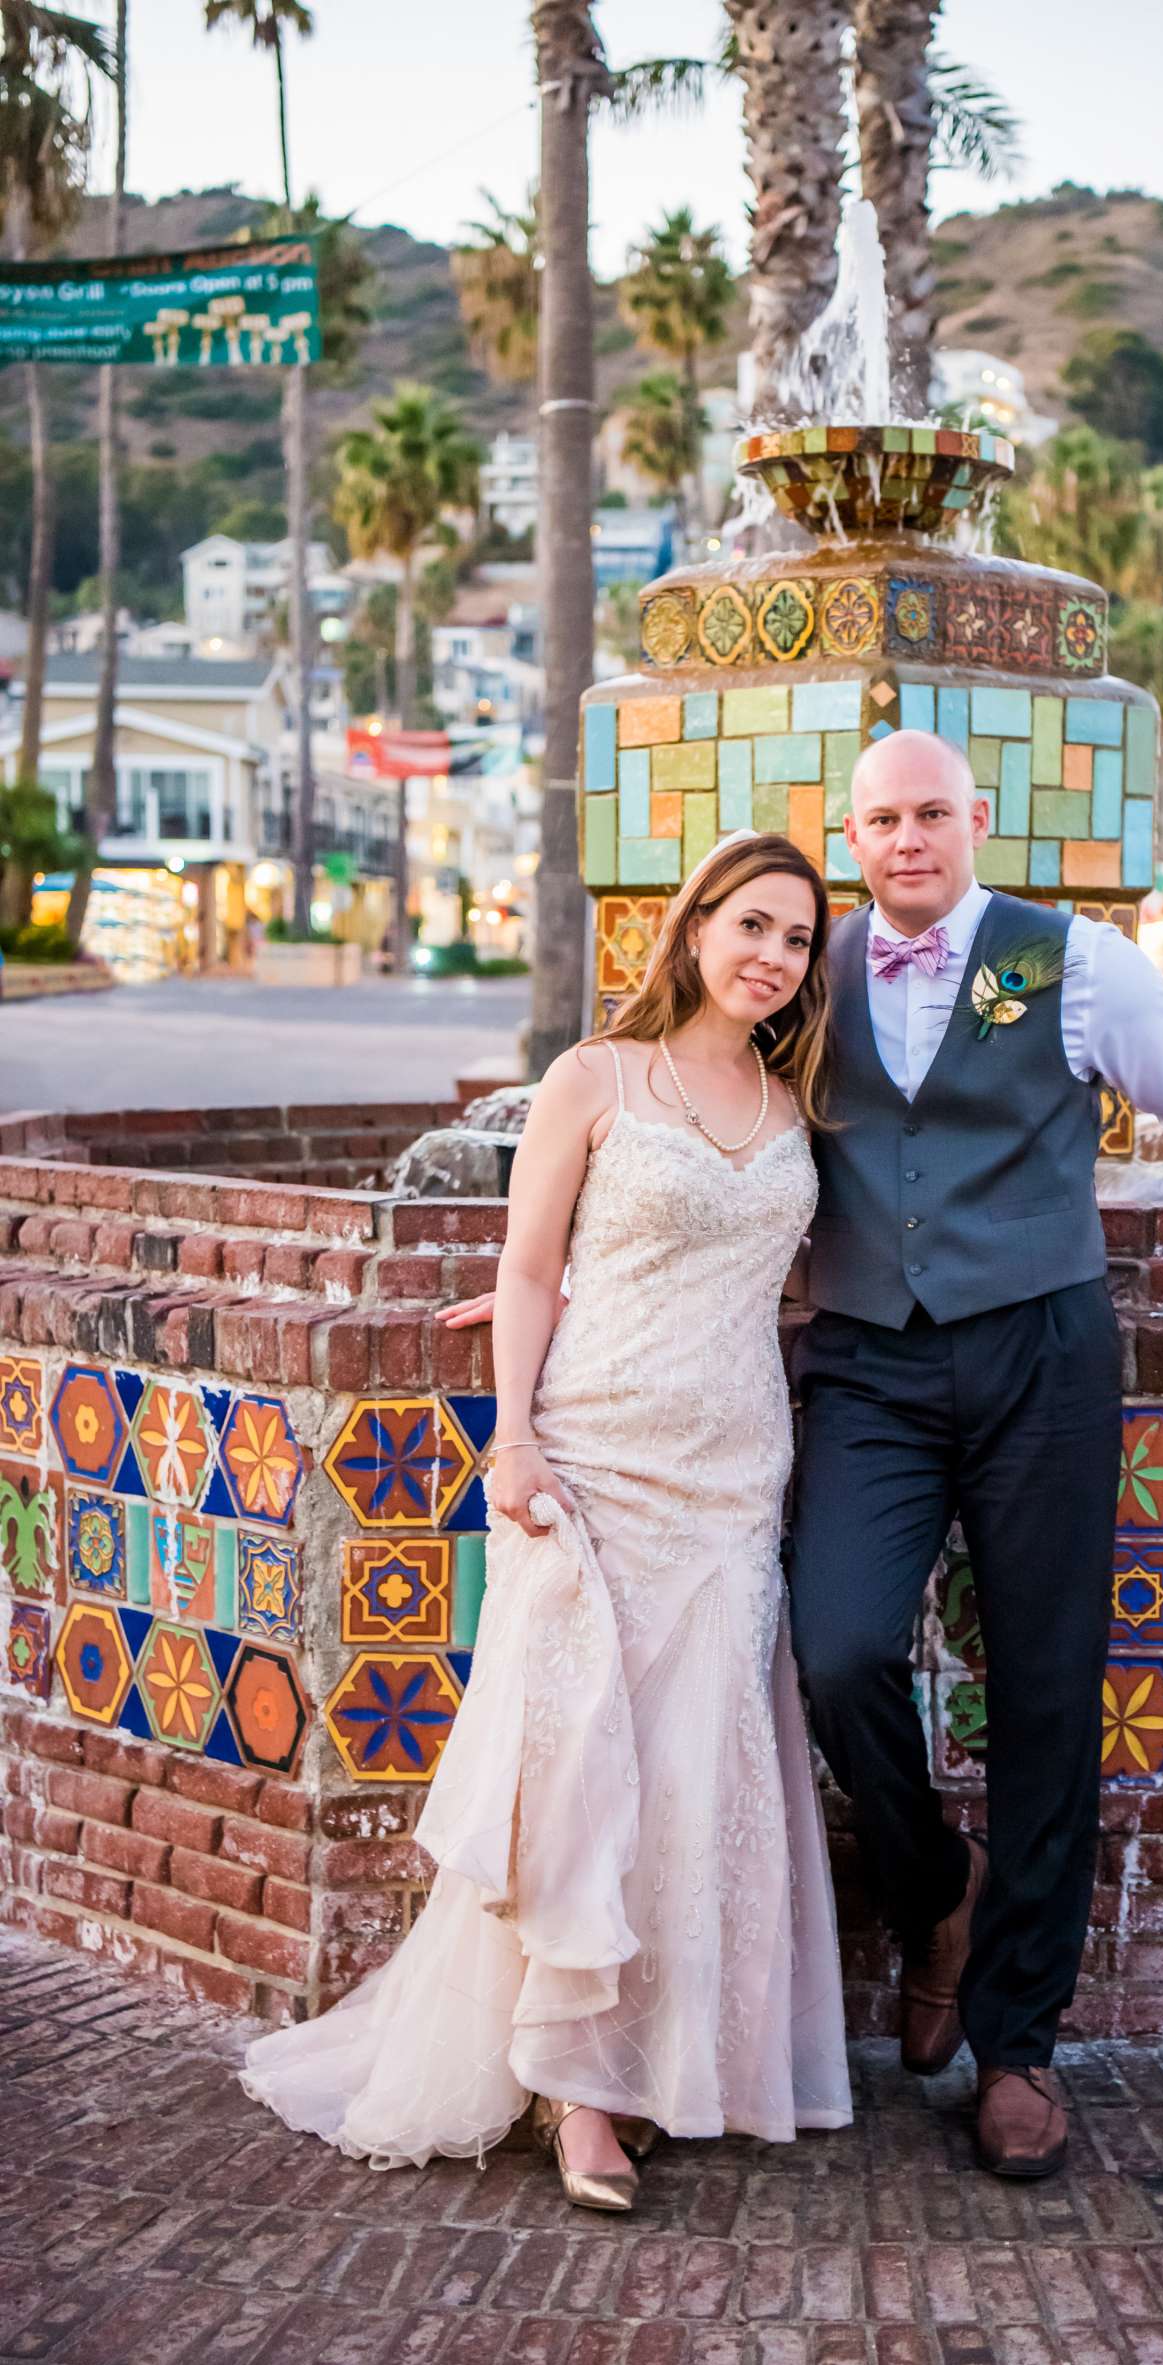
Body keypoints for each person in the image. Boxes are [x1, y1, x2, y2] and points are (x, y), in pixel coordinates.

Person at [240, 832, 852, 2210]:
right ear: (693, 925)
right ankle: (577, 2097)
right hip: (590, 1455)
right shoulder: (591, 1077)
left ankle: (658, 2064)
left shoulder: (793, 1098)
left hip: (734, 1473)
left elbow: (785, 1287)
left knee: (696, 1769)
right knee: (579, 1762)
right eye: (750, 924)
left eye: (797, 940)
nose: (771, 955)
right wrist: (513, 1431)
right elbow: (528, 1264)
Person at [784, 728, 1163, 2181]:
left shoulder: (1079, 960)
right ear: (850, 836)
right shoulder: (805, 972)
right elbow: (675, 1115)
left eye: (932, 812)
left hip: (1040, 1357)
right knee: (839, 1649)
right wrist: (554, 1273)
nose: (908, 838)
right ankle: (936, 1889)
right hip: (866, 1358)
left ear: (974, 819)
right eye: (881, 820)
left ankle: (1019, 2046)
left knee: (1050, 1688)